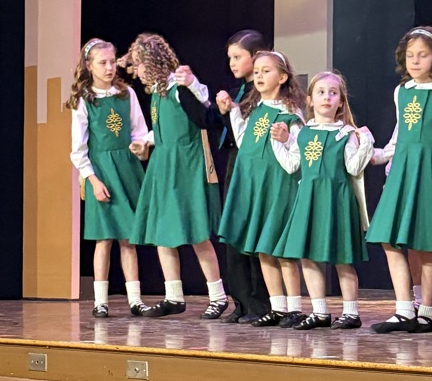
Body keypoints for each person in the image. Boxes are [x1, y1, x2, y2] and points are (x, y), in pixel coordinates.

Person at [367, 26, 432, 333]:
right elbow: (400, 135)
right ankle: (404, 308)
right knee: (389, 238)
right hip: (404, 170)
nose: (415, 60)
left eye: (422, 55)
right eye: (410, 55)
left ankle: (423, 312)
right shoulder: (403, 91)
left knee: (428, 243)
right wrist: (379, 156)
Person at [126, 33, 228, 319]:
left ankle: (218, 296)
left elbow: (204, 118)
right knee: (163, 233)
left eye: (139, 64)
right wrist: (146, 141)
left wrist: (194, 86)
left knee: (196, 232)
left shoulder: (179, 90)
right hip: (163, 165)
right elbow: (163, 129)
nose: (137, 71)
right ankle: (173, 296)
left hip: (186, 165)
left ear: (153, 62)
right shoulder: (158, 94)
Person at [272, 70, 374, 329]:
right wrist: (278, 142)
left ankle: (351, 312)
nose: (327, 97)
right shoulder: (303, 133)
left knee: (342, 258)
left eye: (333, 93)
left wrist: (365, 143)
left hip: (336, 200)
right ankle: (319, 311)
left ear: (341, 101)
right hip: (309, 199)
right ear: (310, 100)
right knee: (308, 256)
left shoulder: (346, 133)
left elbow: (353, 167)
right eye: (320, 92)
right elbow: (292, 164)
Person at [217, 49, 306, 327]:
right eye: (256, 72)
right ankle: (277, 307)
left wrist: (286, 138)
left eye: (266, 71)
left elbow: (298, 156)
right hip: (256, 186)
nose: (259, 76)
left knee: (281, 251)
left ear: (282, 77)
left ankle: (294, 307)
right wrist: (233, 110)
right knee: (263, 249)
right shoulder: (255, 110)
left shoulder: (290, 113)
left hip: (277, 188)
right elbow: (245, 142)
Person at [67, 38, 150, 318]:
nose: (109, 68)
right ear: (89, 66)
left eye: (112, 62)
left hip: (126, 169)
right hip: (101, 173)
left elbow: (139, 131)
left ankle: (135, 299)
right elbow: (78, 149)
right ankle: (100, 301)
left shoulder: (126, 94)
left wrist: (139, 146)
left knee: (128, 238)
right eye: (102, 63)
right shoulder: (84, 101)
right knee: (103, 239)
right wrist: (92, 180)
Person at [215, 30, 271, 323]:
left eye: (238, 57)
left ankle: (259, 303)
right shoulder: (239, 91)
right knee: (234, 231)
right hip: (236, 164)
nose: (232, 63)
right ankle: (241, 301)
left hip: (256, 166)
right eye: (230, 58)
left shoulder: (264, 95)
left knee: (253, 232)